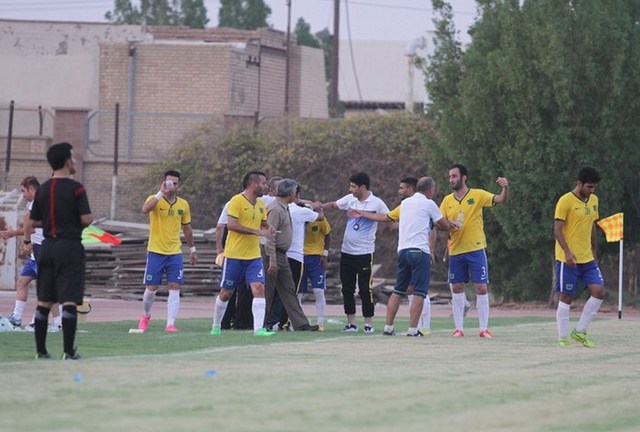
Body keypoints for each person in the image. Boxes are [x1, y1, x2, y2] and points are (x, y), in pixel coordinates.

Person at [351, 177, 451, 336]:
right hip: (419, 252)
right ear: (430, 190)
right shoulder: (429, 203)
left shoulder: (405, 204)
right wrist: (452, 224)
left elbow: (386, 217)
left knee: (398, 290)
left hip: (403, 251)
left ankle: (388, 328)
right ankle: (412, 330)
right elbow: (443, 225)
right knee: (419, 292)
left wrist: (362, 213)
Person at [24, 142, 93, 360]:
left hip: (47, 247)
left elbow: (33, 221)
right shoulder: (76, 189)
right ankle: (68, 351)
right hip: (69, 246)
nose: (74, 161)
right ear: (66, 161)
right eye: (72, 157)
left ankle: (41, 351)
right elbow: (86, 219)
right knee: (69, 299)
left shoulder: (42, 189)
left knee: (44, 300)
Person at [439, 164, 509, 338]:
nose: (451, 180)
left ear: (464, 178)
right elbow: (438, 222)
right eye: (450, 176)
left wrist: (505, 188)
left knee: (481, 288)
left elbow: (500, 200)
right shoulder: (447, 200)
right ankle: (458, 329)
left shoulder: (477, 195)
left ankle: (483, 329)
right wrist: (449, 225)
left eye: (454, 176)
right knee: (456, 287)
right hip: (456, 251)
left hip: (476, 249)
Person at [322, 172, 389, 333]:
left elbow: (388, 218)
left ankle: (368, 324)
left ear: (363, 187)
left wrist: (363, 214)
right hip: (347, 253)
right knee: (347, 289)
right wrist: (318, 205)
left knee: (365, 289)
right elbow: (334, 205)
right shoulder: (350, 199)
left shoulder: (376, 203)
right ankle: (351, 323)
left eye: (353, 186)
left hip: (365, 253)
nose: (350, 189)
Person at [210, 171, 275, 336]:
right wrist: (257, 232)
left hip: (253, 257)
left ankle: (258, 329)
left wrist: (268, 228)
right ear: (253, 184)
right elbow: (231, 225)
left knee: (258, 288)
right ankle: (216, 325)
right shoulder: (236, 201)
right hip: (234, 256)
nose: (265, 186)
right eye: (263, 183)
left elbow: (263, 223)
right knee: (226, 292)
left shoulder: (260, 204)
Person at [138, 170, 198, 333]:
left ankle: (170, 323)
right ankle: (146, 315)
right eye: (169, 183)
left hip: (174, 253)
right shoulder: (155, 199)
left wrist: (192, 249)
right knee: (151, 288)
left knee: (174, 285)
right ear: (163, 183)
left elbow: (187, 229)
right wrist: (160, 193)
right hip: (156, 251)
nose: (172, 186)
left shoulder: (183, 204)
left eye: (175, 183)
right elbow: (145, 209)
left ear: (179, 185)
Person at [554, 166, 605, 348]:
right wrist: (567, 252)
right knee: (567, 296)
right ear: (579, 183)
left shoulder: (594, 200)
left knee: (599, 292)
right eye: (589, 187)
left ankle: (580, 332)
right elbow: (557, 230)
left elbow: (592, 225)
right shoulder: (565, 201)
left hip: (587, 258)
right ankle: (563, 337)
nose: (592, 191)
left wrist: (594, 248)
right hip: (568, 259)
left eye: (594, 187)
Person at [0, 176, 60, 330]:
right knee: (23, 281)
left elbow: (30, 225)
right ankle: (17, 318)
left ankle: (50, 323)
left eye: (23, 191)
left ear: (31, 189)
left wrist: (20, 238)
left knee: (46, 287)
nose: (23, 195)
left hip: (42, 248)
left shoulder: (38, 201)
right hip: (37, 251)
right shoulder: (38, 201)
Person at [263, 179, 319, 331]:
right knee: (268, 291)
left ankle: (301, 324)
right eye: (295, 191)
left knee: (289, 290)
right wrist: (272, 260)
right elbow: (269, 236)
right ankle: (262, 323)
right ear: (290, 193)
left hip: (283, 255)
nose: (296, 194)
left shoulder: (285, 207)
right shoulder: (275, 208)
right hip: (273, 254)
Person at [216, 201, 253, 330]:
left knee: (245, 287)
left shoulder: (260, 202)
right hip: (235, 249)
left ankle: (233, 321)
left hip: (248, 251)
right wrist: (220, 249)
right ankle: (231, 321)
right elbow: (221, 226)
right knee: (230, 288)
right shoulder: (234, 203)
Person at [300, 211, 332, 331]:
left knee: (318, 290)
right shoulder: (298, 217)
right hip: (300, 257)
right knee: (298, 292)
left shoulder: (320, 219)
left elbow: (328, 234)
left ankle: (320, 322)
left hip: (316, 258)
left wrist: (325, 255)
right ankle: (298, 321)